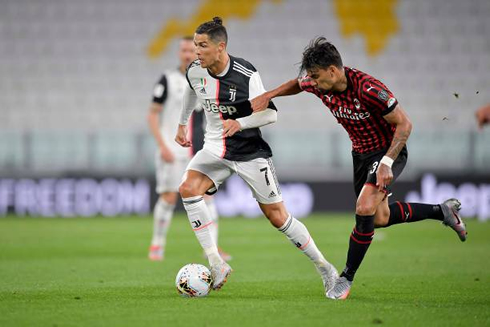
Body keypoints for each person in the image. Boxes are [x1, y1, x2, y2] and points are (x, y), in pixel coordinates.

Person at [251, 37, 467, 300]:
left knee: (364, 208)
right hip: (361, 155)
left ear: (333, 70)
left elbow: (405, 125)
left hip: (388, 151)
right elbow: (297, 84)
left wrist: (387, 162)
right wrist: (269, 94)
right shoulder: (319, 84)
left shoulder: (368, 89)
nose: (313, 82)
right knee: (379, 218)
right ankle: (442, 211)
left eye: (317, 77)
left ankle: (346, 277)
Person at [175, 18, 338, 294]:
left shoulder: (246, 74)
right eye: (195, 45)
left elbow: (271, 113)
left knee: (278, 218)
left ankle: (325, 267)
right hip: (215, 147)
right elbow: (192, 92)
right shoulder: (194, 71)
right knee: (188, 188)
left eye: (202, 46)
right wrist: (182, 123)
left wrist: (241, 123)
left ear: (220, 47)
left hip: (249, 152)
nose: (196, 51)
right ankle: (216, 262)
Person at [147, 36, 230, 262]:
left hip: (200, 151)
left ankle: (210, 248)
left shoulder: (206, 78)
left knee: (207, 198)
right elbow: (152, 113)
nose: (186, 54)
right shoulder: (168, 79)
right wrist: (162, 145)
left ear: (197, 53)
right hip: (172, 151)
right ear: (179, 53)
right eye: (183, 50)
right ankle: (157, 245)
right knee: (168, 197)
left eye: (190, 51)